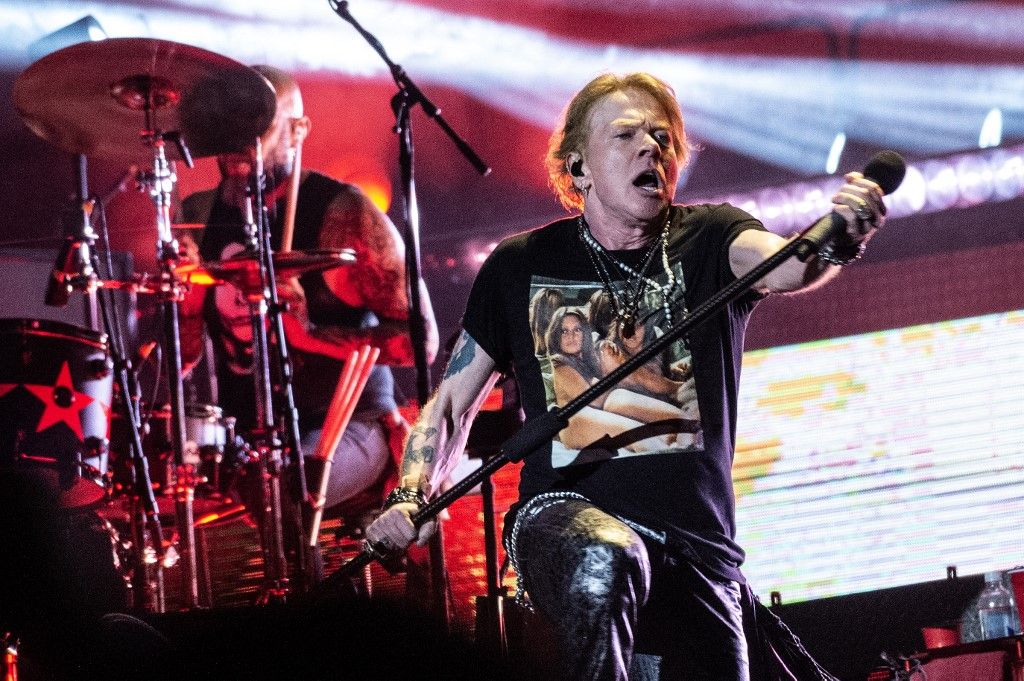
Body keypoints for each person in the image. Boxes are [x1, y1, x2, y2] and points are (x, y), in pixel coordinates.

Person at [365, 71, 886, 680]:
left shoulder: (711, 236)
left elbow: (787, 264)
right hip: (562, 519)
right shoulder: (521, 265)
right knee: (605, 557)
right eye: (626, 135)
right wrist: (411, 494)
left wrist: (838, 237)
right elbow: (453, 404)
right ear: (578, 167)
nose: (650, 148)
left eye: (663, 138)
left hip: (696, 552)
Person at [180, 65, 438, 519]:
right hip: (249, 436)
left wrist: (308, 335)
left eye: (259, 125)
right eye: (232, 125)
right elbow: (184, 356)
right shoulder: (199, 214)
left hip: (349, 424)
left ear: (298, 130)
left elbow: (421, 343)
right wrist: (183, 298)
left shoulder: (342, 212)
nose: (240, 145)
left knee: (283, 491)